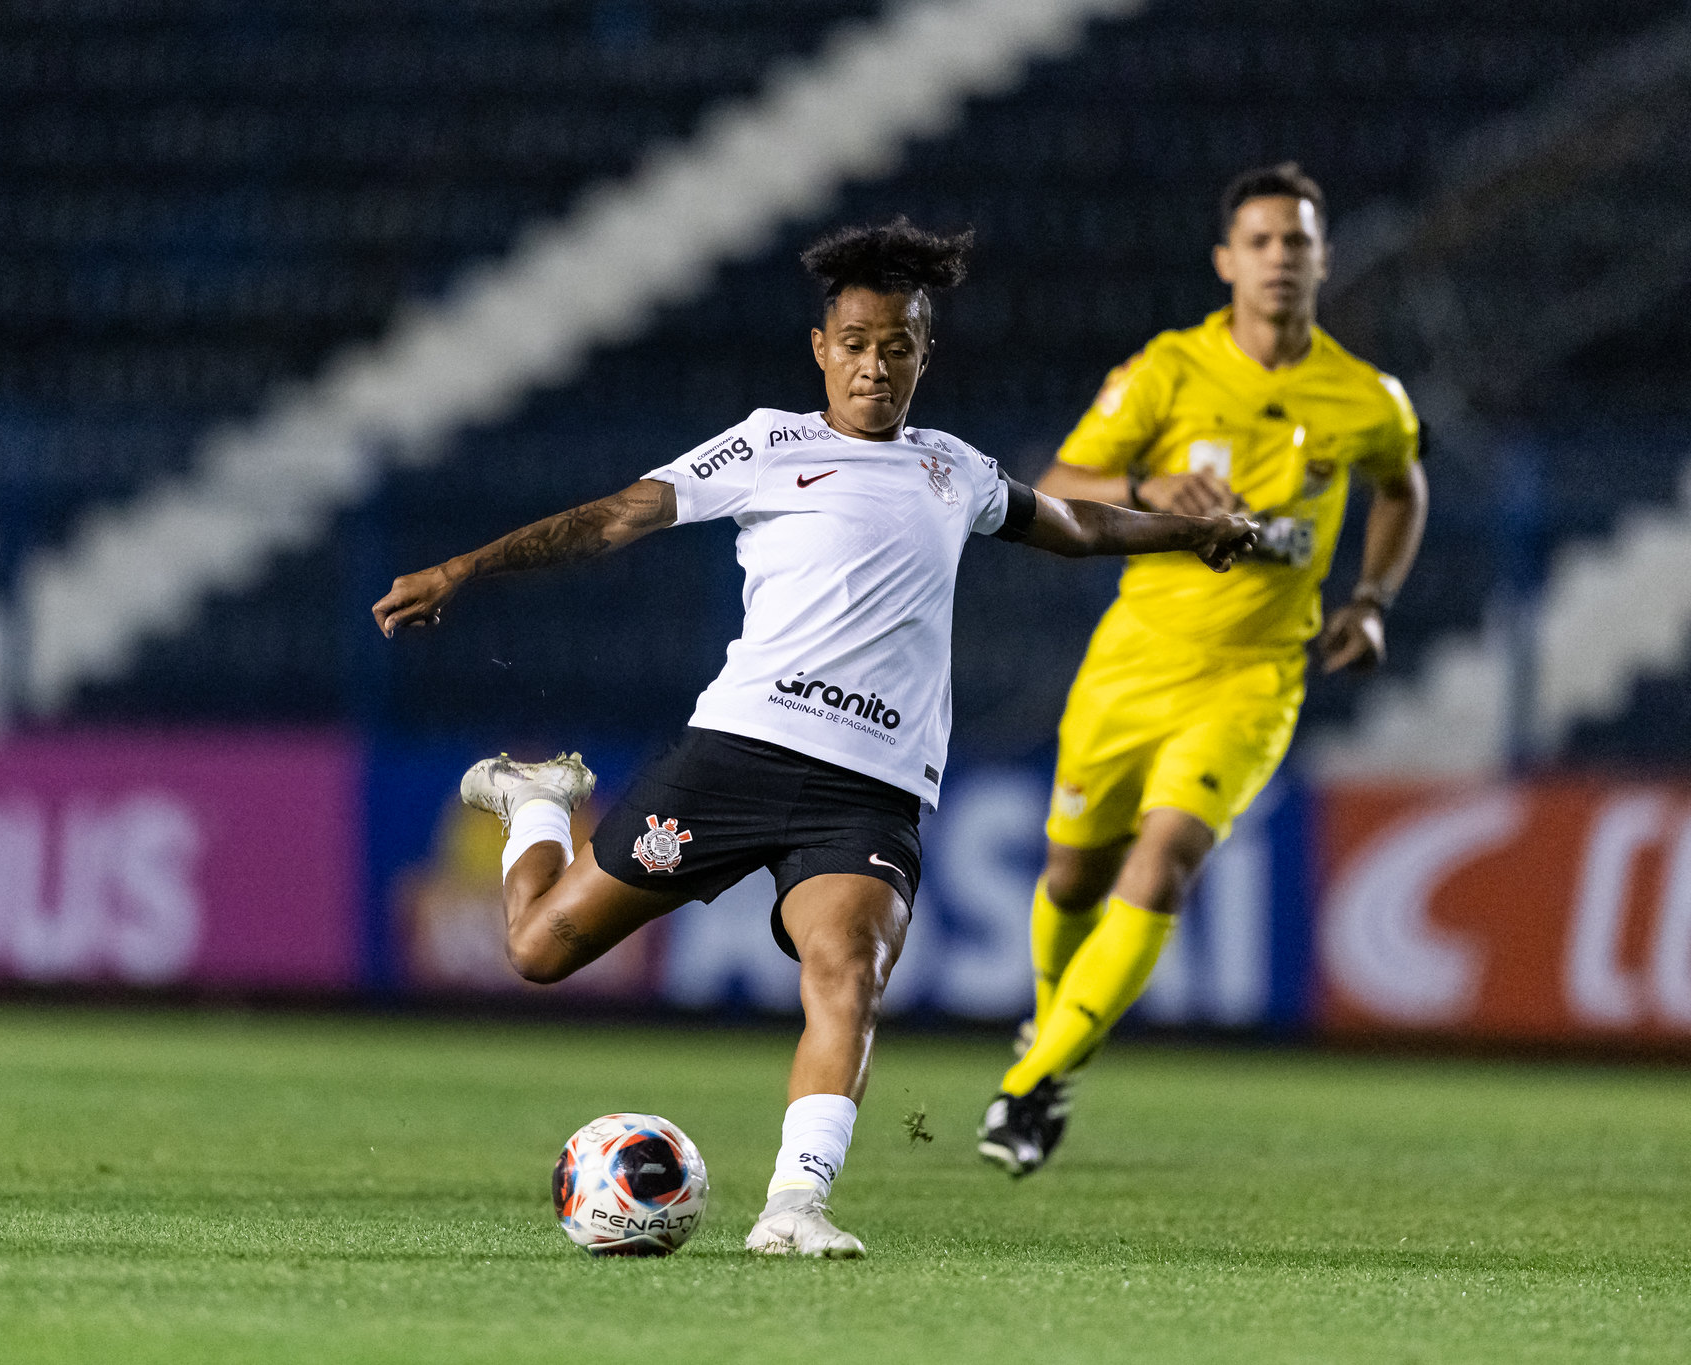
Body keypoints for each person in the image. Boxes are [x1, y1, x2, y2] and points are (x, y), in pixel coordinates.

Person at [372, 220, 1258, 1257]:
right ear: (818, 348)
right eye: (854, 342)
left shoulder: (953, 472)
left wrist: (1188, 533)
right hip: (736, 755)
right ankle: (535, 803)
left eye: (897, 344)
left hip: (868, 792)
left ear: (925, 353)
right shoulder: (766, 446)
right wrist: (468, 568)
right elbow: (618, 517)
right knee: (533, 952)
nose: (874, 363)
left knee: (848, 971)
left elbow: (1075, 525)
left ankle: (793, 1206)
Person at [977, 164, 1429, 1176]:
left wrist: (1369, 599)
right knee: (1071, 872)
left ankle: (1030, 1085)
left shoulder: (1365, 398)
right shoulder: (1167, 371)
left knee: (1166, 856)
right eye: (1260, 241)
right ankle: (1051, 1031)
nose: (1279, 258)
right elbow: (1054, 484)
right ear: (1226, 260)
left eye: (1297, 241)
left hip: (1253, 677)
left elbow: (1402, 488)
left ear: (1322, 258)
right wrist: (1148, 486)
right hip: (1133, 663)